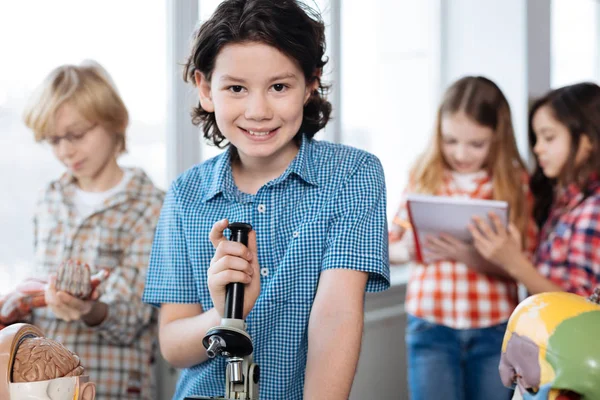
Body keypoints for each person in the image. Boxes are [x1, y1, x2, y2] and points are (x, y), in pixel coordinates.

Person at [142, 1, 390, 399]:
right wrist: (226, 313)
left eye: (279, 87)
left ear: (310, 84)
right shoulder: (186, 195)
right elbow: (174, 346)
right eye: (236, 88)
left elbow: (336, 317)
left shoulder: (352, 176)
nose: (258, 112)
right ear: (206, 89)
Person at [22, 60, 164, 399]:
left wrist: (89, 309)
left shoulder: (153, 207)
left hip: (110, 388)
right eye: (53, 140)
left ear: (116, 122)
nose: (65, 150)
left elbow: (135, 318)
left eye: (76, 135)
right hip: (38, 388)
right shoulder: (48, 200)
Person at [389, 76, 537, 400]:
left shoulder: (512, 181)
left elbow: (525, 262)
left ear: (497, 138)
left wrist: (469, 256)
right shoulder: (423, 174)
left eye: (476, 144)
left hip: (494, 325)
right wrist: (412, 249)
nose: (461, 153)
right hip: (430, 323)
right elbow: (393, 246)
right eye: (451, 140)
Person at [469, 82, 600, 299]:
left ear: (587, 140)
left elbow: (584, 309)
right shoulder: (563, 200)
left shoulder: (593, 208)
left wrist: (514, 262)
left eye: (549, 137)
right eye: (537, 138)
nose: (538, 148)